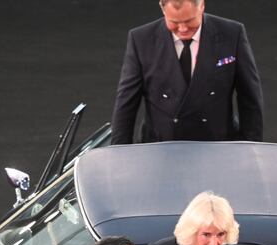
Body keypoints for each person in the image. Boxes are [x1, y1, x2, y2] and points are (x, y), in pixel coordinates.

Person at [110, 0, 263, 144]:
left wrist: (251, 150)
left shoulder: (232, 34)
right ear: (163, 10)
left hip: (217, 144)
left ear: (202, 6)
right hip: (160, 147)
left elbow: (250, 98)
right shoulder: (141, 40)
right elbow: (126, 103)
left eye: (189, 21)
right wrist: (119, 154)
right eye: (174, 22)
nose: (182, 29)